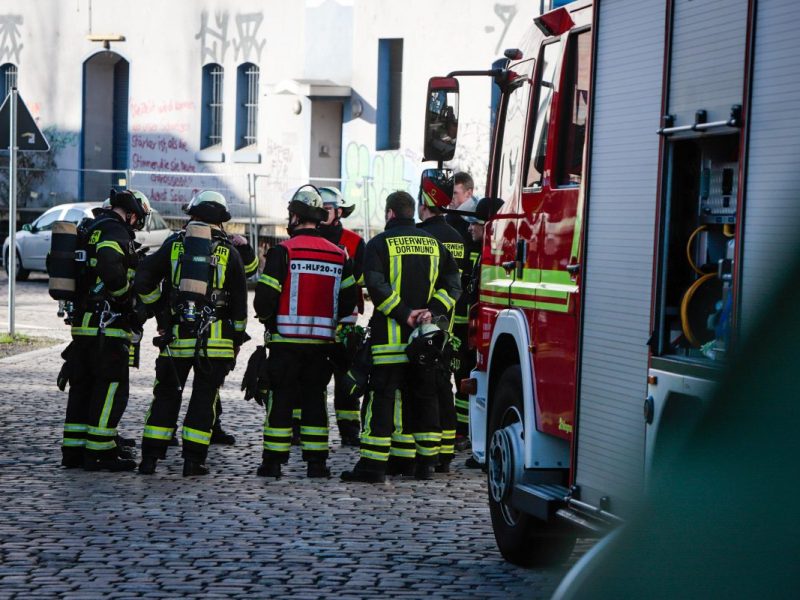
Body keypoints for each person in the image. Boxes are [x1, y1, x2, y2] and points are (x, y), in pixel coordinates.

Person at [340, 191, 461, 484]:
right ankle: (424, 464)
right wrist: (431, 312)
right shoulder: (434, 244)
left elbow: (375, 284)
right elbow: (453, 285)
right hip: (425, 343)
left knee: (381, 400)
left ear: (391, 213)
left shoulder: (379, 244)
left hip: (389, 343)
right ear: (412, 213)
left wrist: (404, 312)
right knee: (423, 399)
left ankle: (373, 466)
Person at [135, 190, 248, 477]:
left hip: (175, 338)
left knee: (166, 396)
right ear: (220, 221)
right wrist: (236, 341)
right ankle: (193, 461)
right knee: (203, 400)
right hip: (216, 343)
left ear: (193, 215)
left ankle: (149, 459)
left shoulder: (174, 245)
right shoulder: (228, 251)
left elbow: (143, 279)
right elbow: (239, 303)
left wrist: (160, 310)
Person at [252, 185, 357, 479]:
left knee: (281, 400)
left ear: (296, 217)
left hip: (285, 342)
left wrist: (268, 320)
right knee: (315, 401)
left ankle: (272, 462)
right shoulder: (339, 255)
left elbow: (264, 299)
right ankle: (317, 463)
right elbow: (349, 301)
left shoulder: (283, 251)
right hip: (322, 344)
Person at [59, 189, 150, 472]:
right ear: (132, 214)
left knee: (82, 388)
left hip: (84, 325)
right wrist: (125, 298)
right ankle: (100, 452)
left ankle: (73, 450)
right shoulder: (115, 231)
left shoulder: (90, 229)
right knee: (111, 389)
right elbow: (111, 266)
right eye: (138, 219)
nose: (137, 225)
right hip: (107, 327)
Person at [416, 170, 469, 474]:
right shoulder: (457, 236)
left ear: (425, 201)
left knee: (424, 389)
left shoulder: (425, 236)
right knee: (445, 387)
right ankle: (446, 452)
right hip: (450, 322)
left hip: (426, 321)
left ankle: (426, 451)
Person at [314, 186, 366, 447]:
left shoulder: (354, 242)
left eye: (326, 210)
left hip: (345, 320)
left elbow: (367, 278)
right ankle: (304, 430)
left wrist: (350, 267)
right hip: (313, 317)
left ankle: (349, 430)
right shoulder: (307, 236)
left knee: (345, 378)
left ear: (340, 211)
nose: (321, 215)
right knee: (311, 378)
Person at [446, 172, 481, 448]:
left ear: (468, 193)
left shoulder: (470, 231)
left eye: (456, 194)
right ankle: (462, 429)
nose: (452, 200)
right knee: (460, 376)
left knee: (464, 377)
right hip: (457, 318)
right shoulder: (455, 225)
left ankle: (463, 430)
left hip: (465, 321)